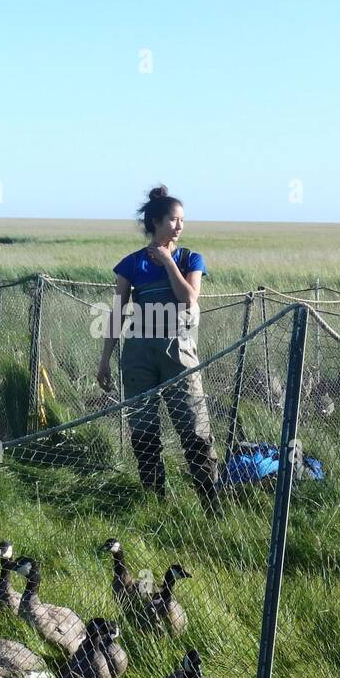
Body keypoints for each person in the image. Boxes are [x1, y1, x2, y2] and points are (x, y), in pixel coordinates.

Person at [97, 185, 220, 511]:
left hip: (178, 351)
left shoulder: (190, 259)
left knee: (194, 429)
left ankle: (212, 507)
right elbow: (117, 312)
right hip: (138, 354)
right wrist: (105, 359)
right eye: (173, 220)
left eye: (182, 220)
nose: (179, 226)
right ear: (155, 221)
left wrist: (167, 261)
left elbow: (188, 298)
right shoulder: (131, 264)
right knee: (144, 432)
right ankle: (156, 503)